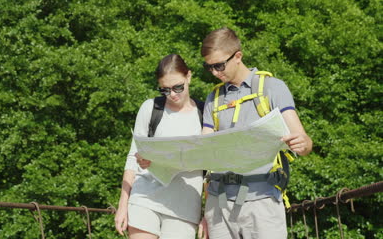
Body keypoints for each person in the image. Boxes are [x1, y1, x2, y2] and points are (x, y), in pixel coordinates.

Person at [200, 27, 313, 239]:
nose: (215, 73)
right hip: (219, 203)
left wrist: (302, 143)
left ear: (238, 56)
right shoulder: (213, 98)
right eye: (209, 67)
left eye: (219, 65)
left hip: (261, 201)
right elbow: (203, 147)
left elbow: (304, 143)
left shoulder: (272, 87)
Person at [114, 54, 204, 239]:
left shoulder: (204, 114)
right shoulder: (151, 108)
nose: (172, 95)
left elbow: (213, 168)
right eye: (165, 90)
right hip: (145, 198)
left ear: (189, 76)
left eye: (178, 87)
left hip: (184, 207)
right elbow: (133, 157)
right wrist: (123, 205)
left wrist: (208, 214)